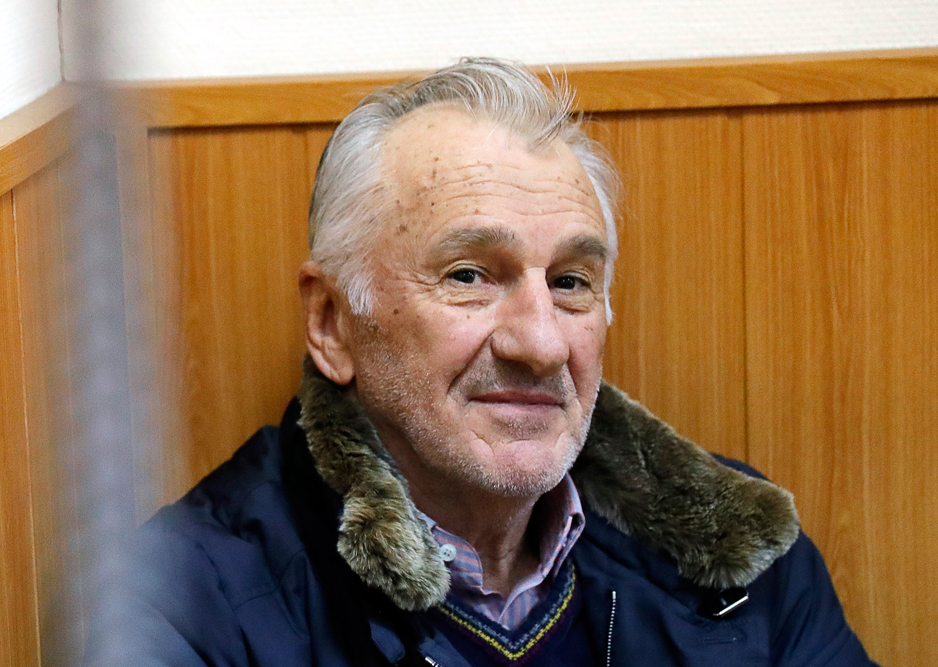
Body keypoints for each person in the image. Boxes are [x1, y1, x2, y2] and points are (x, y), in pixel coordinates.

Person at [86, 58, 876, 666]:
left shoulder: (741, 552)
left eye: (570, 282)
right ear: (331, 323)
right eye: (468, 275)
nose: (541, 342)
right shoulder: (179, 605)